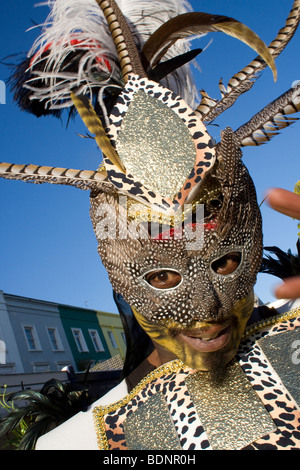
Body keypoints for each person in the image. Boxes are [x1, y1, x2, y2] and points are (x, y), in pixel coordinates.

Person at [1, 0, 300, 451]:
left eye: (225, 261)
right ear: (117, 271)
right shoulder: (78, 445)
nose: (206, 308)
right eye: (162, 276)